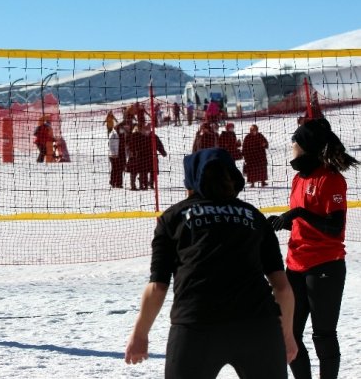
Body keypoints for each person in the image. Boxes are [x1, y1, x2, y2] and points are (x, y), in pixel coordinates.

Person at [125, 148, 297, 378]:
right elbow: (282, 287)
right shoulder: (254, 216)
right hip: (257, 326)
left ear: (190, 181)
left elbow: (157, 287)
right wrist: (286, 335)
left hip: (197, 325)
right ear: (233, 179)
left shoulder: (173, 217)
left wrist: (140, 334)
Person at [267, 118, 358, 379]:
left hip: (325, 265)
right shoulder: (298, 179)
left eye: (293, 142)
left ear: (305, 146)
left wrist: (298, 213)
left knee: (323, 335)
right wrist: (283, 222)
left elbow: (334, 228)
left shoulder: (331, 179)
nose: (290, 147)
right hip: (295, 264)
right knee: (288, 334)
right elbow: (306, 223)